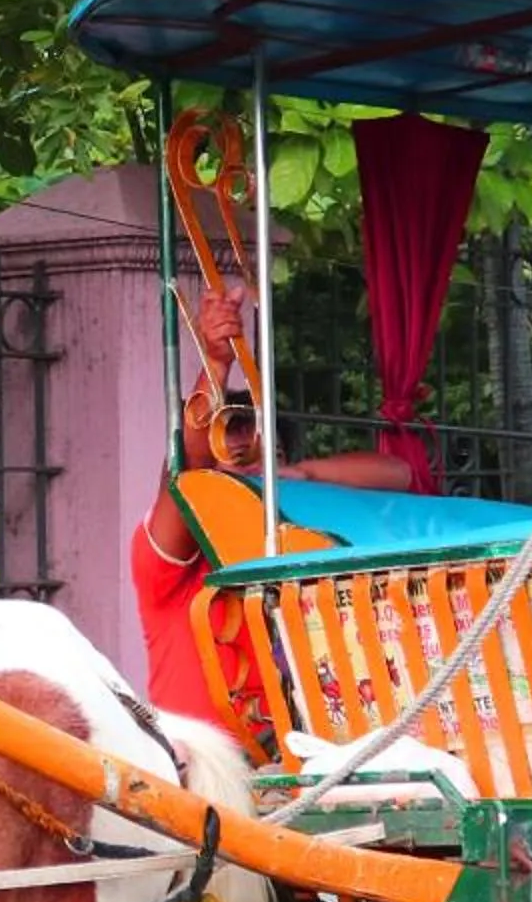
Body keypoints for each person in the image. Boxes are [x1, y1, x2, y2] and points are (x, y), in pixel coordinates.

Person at [130, 282, 411, 733]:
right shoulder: (173, 551)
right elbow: (185, 476)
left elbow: (397, 472)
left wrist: (294, 479)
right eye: (233, 443)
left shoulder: (298, 531)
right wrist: (216, 365)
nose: (247, 456)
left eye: (263, 449)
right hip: (203, 760)